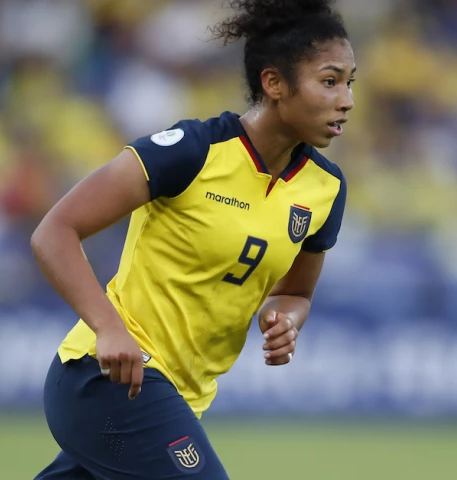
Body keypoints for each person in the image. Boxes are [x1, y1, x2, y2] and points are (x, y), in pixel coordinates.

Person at [30, 0, 355, 478]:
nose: (346, 99)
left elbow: (295, 292)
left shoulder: (326, 188)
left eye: (350, 82)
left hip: (182, 398)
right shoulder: (192, 151)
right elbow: (54, 231)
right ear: (274, 84)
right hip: (107, 378)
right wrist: (107, 326)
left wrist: (285, 318)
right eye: (329, 81)